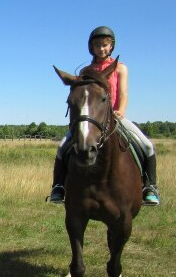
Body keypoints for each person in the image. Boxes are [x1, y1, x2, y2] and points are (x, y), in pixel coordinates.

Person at [48, 26, 160, 206]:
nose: (101, 48)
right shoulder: (86, 70)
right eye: (97, 45)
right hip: (93, 120)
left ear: (111, 46)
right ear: (91, 48)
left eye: (105, 45)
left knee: (147, 145)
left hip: (116, 116)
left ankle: (150, 187)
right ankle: (58, 186)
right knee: (62, 147)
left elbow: (123, 93)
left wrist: (121, 111)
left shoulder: (121, 68)